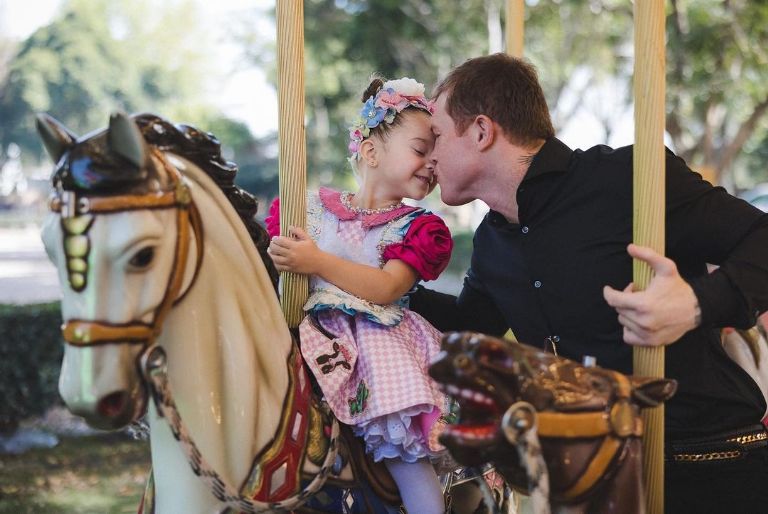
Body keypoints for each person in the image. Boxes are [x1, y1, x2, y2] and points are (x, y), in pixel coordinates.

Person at [409, 53, 768, 514]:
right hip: (594, 481)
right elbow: (470, 323)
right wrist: (369, 281)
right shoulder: (492, 241)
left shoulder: (628, 179)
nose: (429, 154)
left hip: (706, 462)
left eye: (436, 135)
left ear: (481, 131)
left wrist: (696, 305)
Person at [267, 76, 453, 514]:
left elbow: (387, 288)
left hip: (377, 349)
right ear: (371, 151)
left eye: (436, 154)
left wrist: (316, 263)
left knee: (405, 459)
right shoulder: (308, 210)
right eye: (420, 149)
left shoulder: (414, 227)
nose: (432, 163)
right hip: (308, 341)